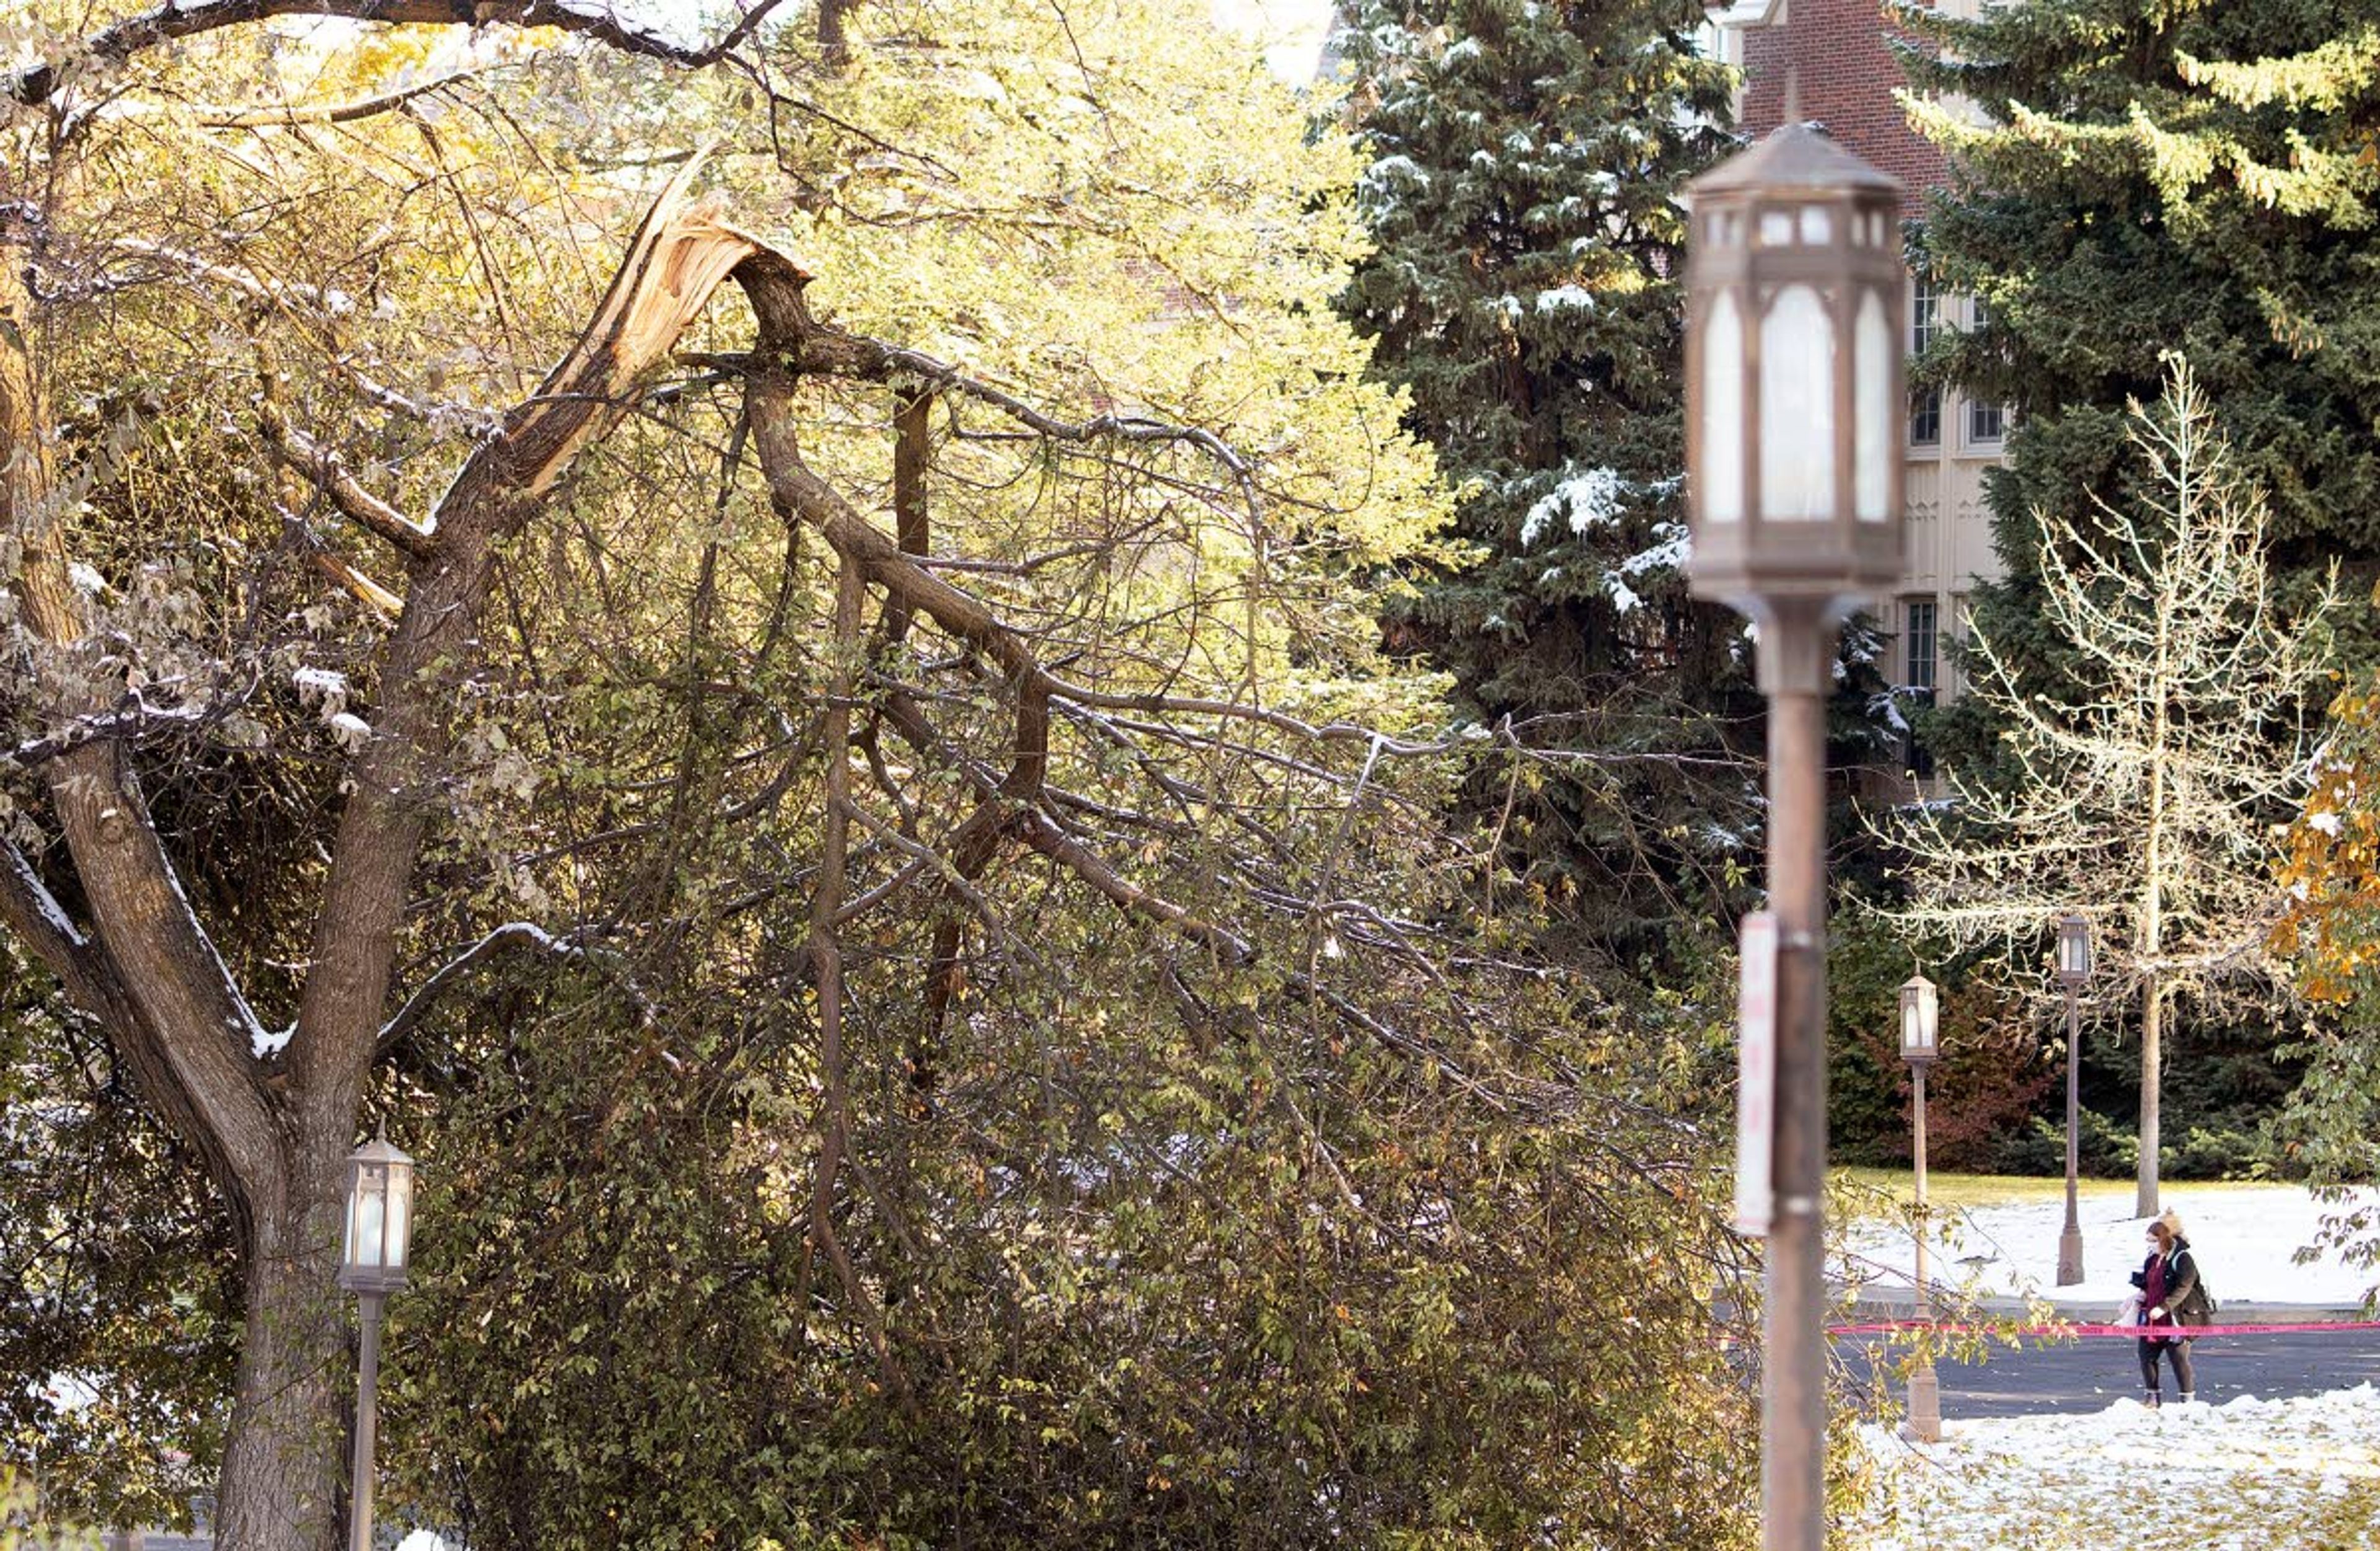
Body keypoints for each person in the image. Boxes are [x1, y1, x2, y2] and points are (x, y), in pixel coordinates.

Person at [2130, 1210, 2212, 1408]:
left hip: (2176, 1317)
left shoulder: (2183, 1258)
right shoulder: (2152, 1259)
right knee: (2146, 1356)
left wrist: (2164, 1307)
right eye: (2148, 1241)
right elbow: (2149, 1284)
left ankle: (2187, 1400)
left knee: (2178, 1359)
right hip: (2151, 1317)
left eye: (2153, 1240)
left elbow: (2184, 1286)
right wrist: (2137, 1298)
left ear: (2165, 1238)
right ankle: (2152, 1397)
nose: (2150, 1245)